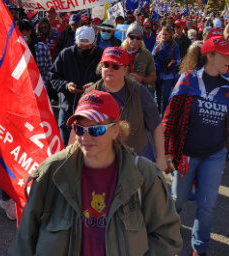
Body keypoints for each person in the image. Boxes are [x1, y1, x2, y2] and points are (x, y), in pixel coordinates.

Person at [12, 90, 182, 255]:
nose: (85, 137)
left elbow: (166, 236)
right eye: (79, 129)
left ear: (115, 130)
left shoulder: (144, 175)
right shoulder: (51, 172)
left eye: (96, 130)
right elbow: (26, 238)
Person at [163, 36, 229, 256]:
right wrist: (165, 152)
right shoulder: (187, 79)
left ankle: (199, 249)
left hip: (215, 154)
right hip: (186, 154)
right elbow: (169, 119)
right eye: (225, 55)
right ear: (210, 55)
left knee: (208, 206)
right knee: (177, 201)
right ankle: (166, 234)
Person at [85, 47, 166, 170]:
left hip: (137, 159)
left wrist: (161, 158)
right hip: (102, 161)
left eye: (115, 66)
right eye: (106, 65)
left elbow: (156, 125)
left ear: (125, 69)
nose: (109, 69)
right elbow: (77, 129)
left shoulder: (140, 92)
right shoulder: (90, 94)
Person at [50, 26, 103, 145]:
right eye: (81, 47)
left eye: (88, 48)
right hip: (68, 108)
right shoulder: (66, 54)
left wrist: (95, 85)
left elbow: (108, 79)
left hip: (92, 110)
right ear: (76, 42)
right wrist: (66, 85)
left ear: (94, 43)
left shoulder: (100, 55)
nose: (84, 50)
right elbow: (53, 77)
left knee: (88, 149)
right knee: (65, 149)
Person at [153, 26, 180, 113]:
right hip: (158, 71)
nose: (164, 36)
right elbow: (151, 57)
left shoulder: (174, 45)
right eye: (163, 34)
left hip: (169, 72)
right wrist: (155, 52)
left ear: (170, 35)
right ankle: (157, 111)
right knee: (157, 94)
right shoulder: (157, 43)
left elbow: (178, 60)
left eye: (166, 34)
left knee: (165, 95)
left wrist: (173, 61)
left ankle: (164, 112)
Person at [121, 23, 156, 87]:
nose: (135, 40)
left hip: (139, 91)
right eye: (132, 37)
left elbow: (153, 77)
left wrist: (142, 79)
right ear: (127, 37)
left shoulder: (147, 55)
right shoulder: (118, 52)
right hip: (121, 91)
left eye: (138, 38)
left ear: (141, 39)